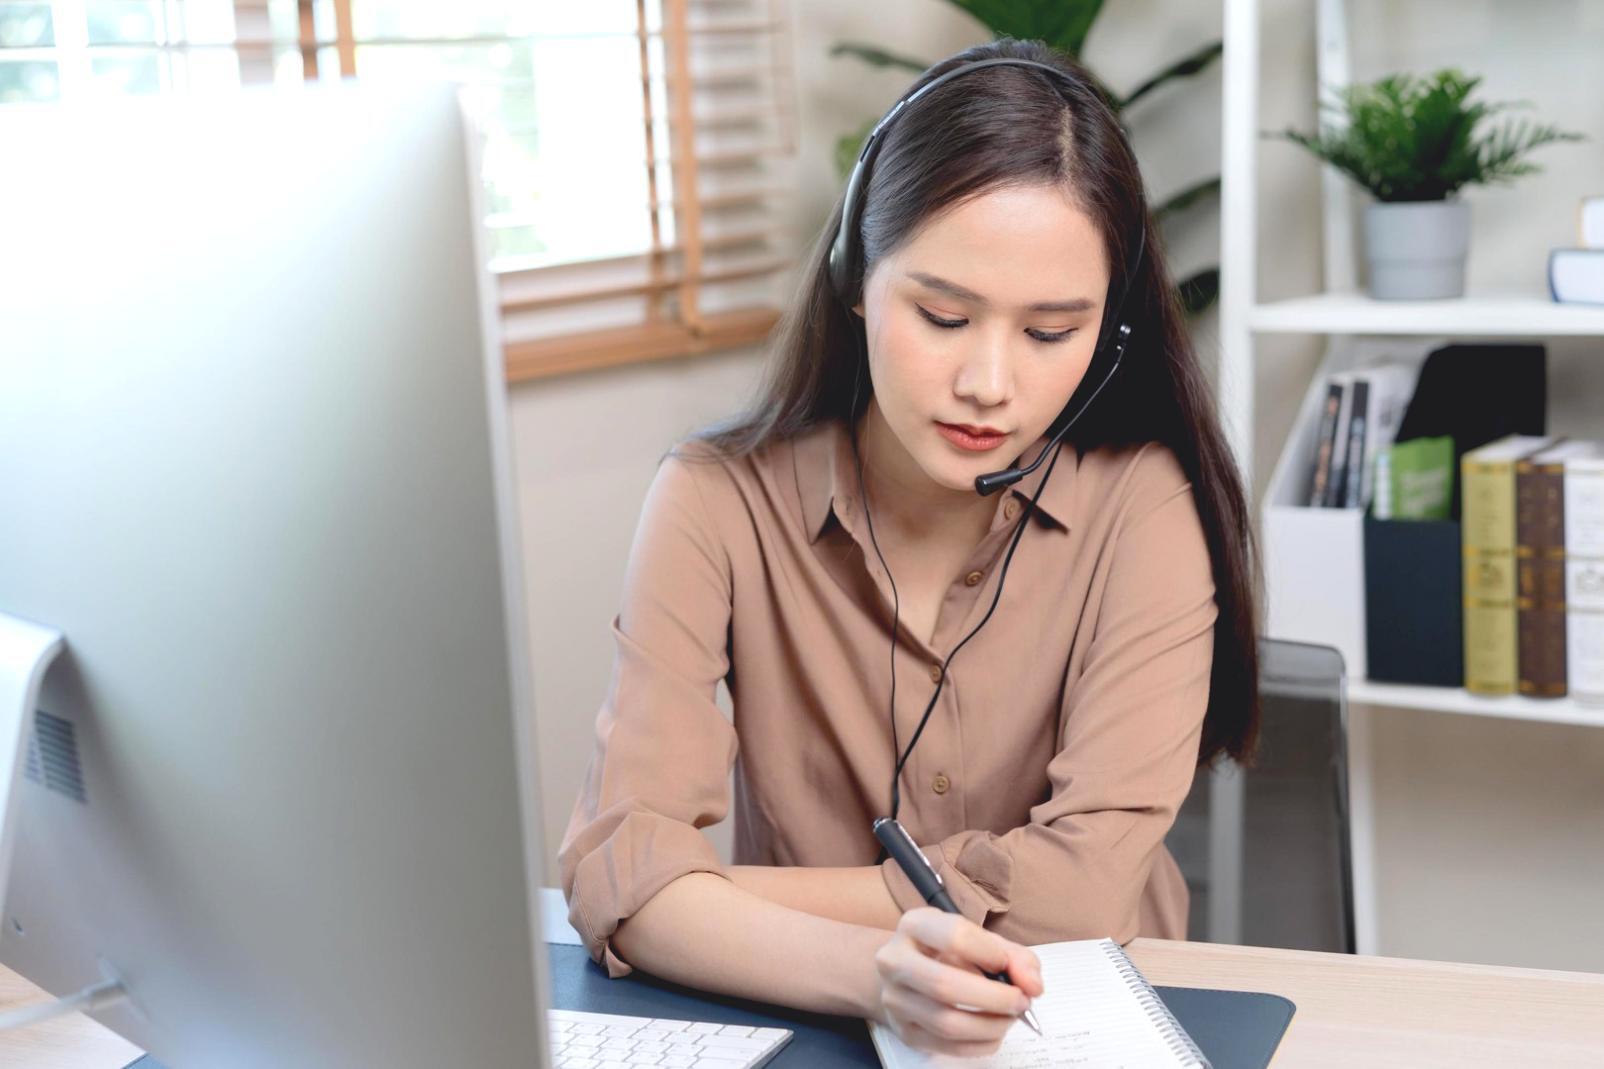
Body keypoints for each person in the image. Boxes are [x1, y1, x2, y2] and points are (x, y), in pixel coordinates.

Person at [558, 36, 1260, 1059]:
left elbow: (1077, 891)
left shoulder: (1140, 504)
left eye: (1049, 331)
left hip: (1082, 1031)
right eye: (942, 314)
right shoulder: (712, 502)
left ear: (1107, 333)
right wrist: (872, 976)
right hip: (803, 1024)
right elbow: (617, 868)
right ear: (854, 278)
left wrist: (700, 896)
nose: (987, 381)